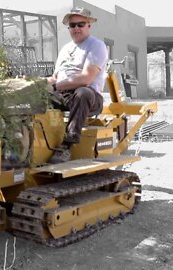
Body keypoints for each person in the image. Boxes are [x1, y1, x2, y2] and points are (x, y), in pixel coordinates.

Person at [47, 7, 108, 164]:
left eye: (80, 24)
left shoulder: (96, 46)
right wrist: (35, 84)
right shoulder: (65, 49)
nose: (76, 28)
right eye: (72, 25)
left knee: (82, 92)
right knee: (36, 97)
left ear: (89, 25)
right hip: (63, 94)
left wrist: (56, 86)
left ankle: (67, 145)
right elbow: (55, 78)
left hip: (89, 98)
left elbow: (86, 78)